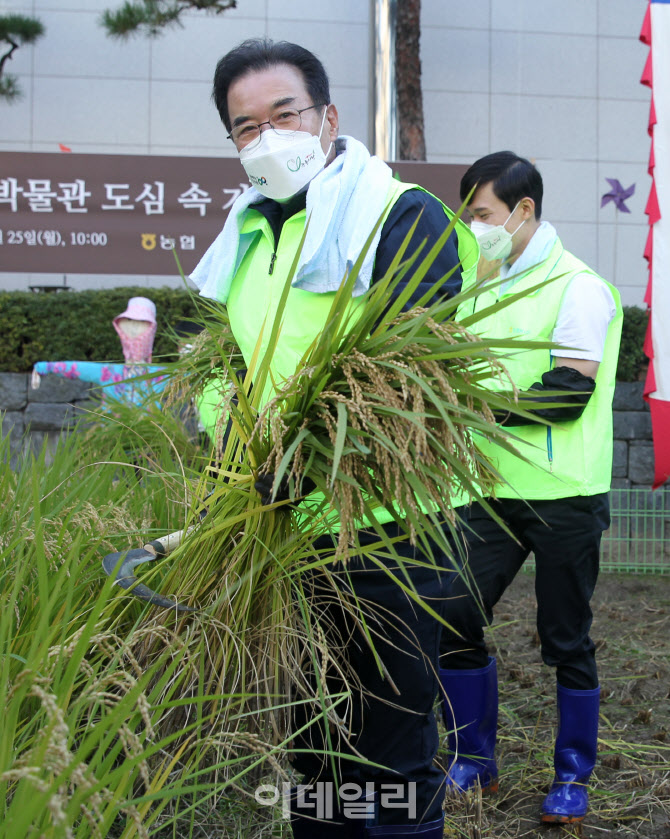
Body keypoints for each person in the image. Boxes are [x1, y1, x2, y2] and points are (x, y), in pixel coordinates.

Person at [189, 38, 478, 839]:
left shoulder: (400, 215)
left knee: (388, 757)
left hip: (389, 534)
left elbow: (403, 378)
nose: (268, 137)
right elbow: (239, 376)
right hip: (288, 538)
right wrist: (226, 477)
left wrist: (300, 465)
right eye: (246, 127)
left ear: (328, 117)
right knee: (315, 750)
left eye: (285, 114)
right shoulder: (245, 237)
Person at [438, 151, 623, 825]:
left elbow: (569, 391)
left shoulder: (578, 285)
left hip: (565, 493)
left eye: (481, 214)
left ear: (523, 210)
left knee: (564, 636)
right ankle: (472, 761)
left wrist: (473, 408)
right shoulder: (481, 285)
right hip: (488, 487)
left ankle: (573, 774)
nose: (474, 227)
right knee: (452, 613)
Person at [31, 296, 167, 408]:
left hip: (149, 437)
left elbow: (187, 375)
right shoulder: (109, 373)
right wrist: (43, 367)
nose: (134, 330)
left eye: (142, 323)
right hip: (113, 437)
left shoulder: (160, 375)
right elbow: (77, 368)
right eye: (129, 322)